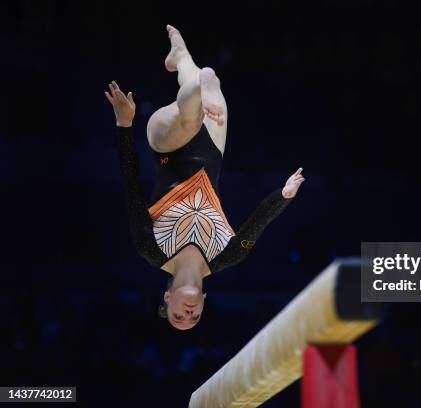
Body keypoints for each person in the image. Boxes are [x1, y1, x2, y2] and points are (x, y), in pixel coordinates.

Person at [105, 25, 305, 330]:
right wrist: (284, 195)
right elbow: (259, 220)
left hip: (166, 146)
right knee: (201, 91)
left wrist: (124, 126)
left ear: (168, 297)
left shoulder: (151, 249)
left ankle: (201, 83)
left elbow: (131, 185)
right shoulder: (227, 256)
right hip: (213, 147)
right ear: (203, 301)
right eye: (194, 317)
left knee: (191, 115)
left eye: (178, 316)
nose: (188, 313)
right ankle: (182, 59)